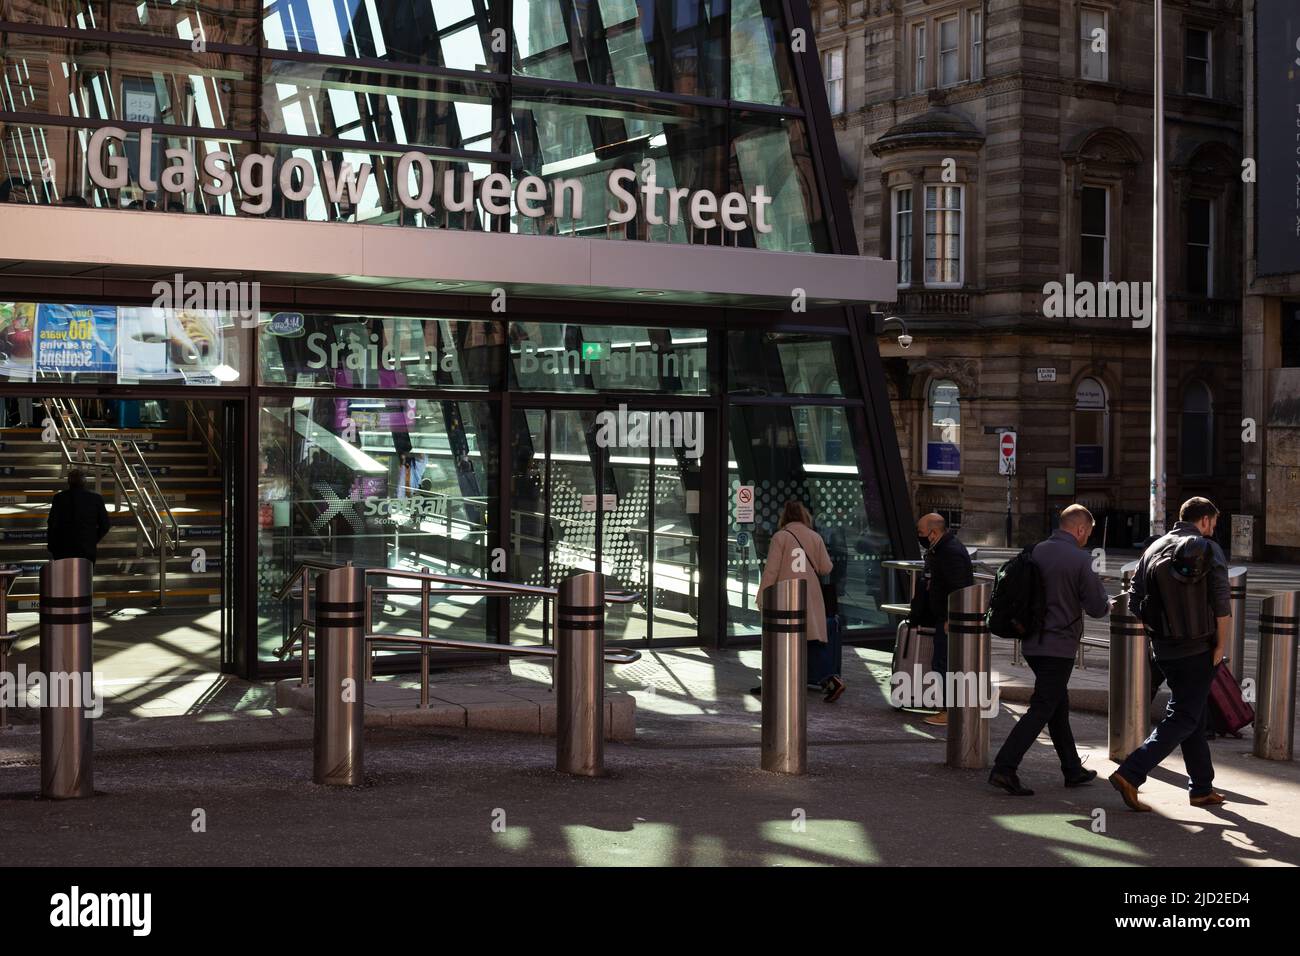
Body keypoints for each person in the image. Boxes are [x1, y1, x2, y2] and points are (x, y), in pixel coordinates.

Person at [1109, 497, 1230, 812]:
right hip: (1198, 648)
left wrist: (1159, 632)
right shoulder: (1206, 547)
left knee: (1194, 713)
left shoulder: (1152, 548)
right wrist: (1220, 647)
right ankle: (1131, 773)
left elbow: (1135, 602)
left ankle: (1201, 787)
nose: (1212, 531)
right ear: (1204, 520)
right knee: (1184, 716)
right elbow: (1221, 604)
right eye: (1213, 524)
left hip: (1163, 649)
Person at [989, 505, 1112, 795]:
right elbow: (1096, 608)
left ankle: (1072, 768)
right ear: (1080, 529)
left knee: (1057, 705)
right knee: (1044, 706)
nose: (1086, 538)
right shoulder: (1080, 559)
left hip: (1031, 643)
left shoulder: (1035, 551)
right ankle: (1005, 768)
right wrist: (1108, 603)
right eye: (1088, 533)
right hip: (1059, 646)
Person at [751, 500, 843, 702]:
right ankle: (829, 680)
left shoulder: (781, 537)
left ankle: (774, 682)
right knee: (810, 640)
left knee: (777, 638)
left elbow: (772, 570)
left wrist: (762, 595)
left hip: (785, 596)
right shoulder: (815, 536)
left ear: (784, 517)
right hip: (809, 596)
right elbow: (826, 568)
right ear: (804, 516)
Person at [910, 513, 973, 726]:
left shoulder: (949, 552)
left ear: (933, 532)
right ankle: (947, 708)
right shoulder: (942, 549)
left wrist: (949, 618)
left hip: (949, 621)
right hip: (945, 617)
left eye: (921, 532)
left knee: (944, 664)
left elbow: (958, 588)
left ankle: (949, 711)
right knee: (943, 663)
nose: (919, 536)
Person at [46, 469, 111, 565]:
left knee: (65, 578)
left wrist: (52, 545)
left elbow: (51, 523)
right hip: (86, 549)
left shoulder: (59, 498)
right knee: (85, 578)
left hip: (63, 548)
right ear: (84, 482)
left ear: (69, 482)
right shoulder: (96, 498)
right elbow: (105, 525)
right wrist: (92, 539)